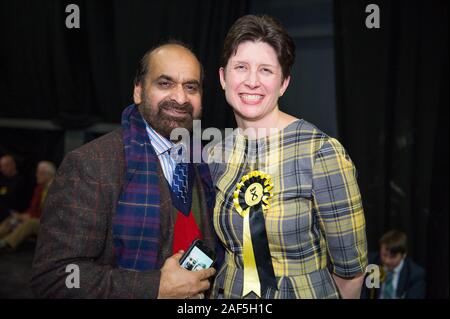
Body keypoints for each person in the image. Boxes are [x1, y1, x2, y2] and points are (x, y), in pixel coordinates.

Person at [31, 41, 217, 298]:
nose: (180, 97)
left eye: (191, 87)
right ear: (138, 91)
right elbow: (56, 278)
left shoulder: (200, 164)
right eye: (165, 83)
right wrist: (155, 288)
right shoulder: (92, 164)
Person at [208, 15, 368, 299]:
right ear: (223, 77)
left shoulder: (320, 152)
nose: (252, 81)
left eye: (266, 70)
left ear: (283, 83)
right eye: (241, 67)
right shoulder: (215, 153)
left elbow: (352, 275)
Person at [0, 161, 55, 253]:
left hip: (50, 223)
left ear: (47, 174)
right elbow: (33, 208)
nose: (36, 175)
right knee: (13, 219)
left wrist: (29, 216)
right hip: (36, 217)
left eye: (39, 173)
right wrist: (23, 215)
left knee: (31, 222)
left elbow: (52, 214)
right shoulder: (39, 188)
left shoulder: (56, 190)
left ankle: (6, 243)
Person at [361, 230, 426, 299]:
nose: (387, 261)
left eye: (392, 257)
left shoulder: (414, 274)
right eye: (384, 255)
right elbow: (364, 294)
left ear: (404, 255)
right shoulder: (373, 264)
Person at [0, 155, 27, 222]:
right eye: (1, 166)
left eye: (6, 165)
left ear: (13, 165)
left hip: (13, 213)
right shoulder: (2, 180)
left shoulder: (21, 181)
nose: (3, 169)